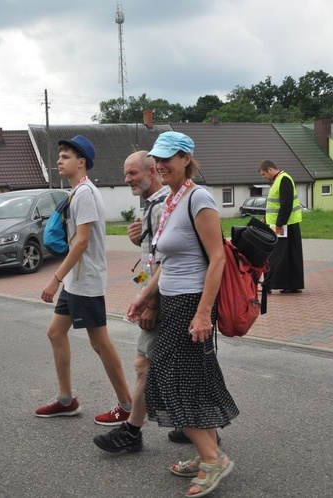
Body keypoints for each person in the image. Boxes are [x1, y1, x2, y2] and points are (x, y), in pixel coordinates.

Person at [127, 132, 238, 497]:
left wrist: (204, 312)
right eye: (157, 158)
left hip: (192, 304)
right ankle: (208, 454)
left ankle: (212, 459)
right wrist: (144, 297)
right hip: (174, 302)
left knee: (172, 381)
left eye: (168, 158)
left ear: (186, 158)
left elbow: (217, 258)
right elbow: (166, 261)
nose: (160, 164)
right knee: (189, 382)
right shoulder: (173, 199)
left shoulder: (199, 198)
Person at [37, 135, 133, 425]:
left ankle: (127, 405)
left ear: (82, 163)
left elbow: (81, 243)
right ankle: (67, 400)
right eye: (60, 156)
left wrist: (55, 278)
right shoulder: (77, 193)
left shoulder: (86, 193)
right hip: (75, 282)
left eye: (65, 156)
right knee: (56, 333)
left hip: (85, 280)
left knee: (100, 343)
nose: (59, 161)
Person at [93, 150, 171, 452]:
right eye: (126, 173)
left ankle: (132, 432)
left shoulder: (164, 204)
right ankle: (198, 427)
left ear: (152, 171)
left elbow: (167, 260)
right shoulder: (152, 204)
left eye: (133, 173)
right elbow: (154, 253)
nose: (126, 179)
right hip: (157, 292)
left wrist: (151, 303)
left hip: (161, 297)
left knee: (144, 364)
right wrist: (139, 240)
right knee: (178, 365)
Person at [257, 159, 304, 293]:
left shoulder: (284, 180)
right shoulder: (278, 180)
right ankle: (291, 284)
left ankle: (268, 285)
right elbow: (275, 205)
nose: (264, 177)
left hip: (284, 225)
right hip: (284, 224)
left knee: (274, 256)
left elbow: (286, 204)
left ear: (270, 169)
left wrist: (279, 224)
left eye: (264, 174)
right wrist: (266, 219)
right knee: (288, 256)